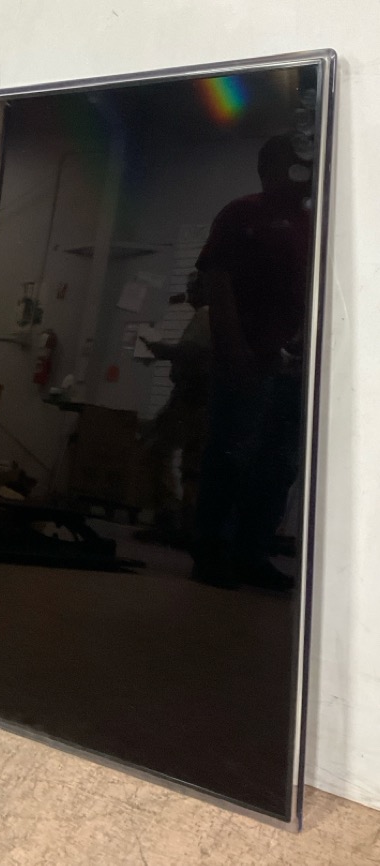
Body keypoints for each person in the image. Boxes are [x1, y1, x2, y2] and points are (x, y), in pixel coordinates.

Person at [191, 133, 311, 590]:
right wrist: (235, 350)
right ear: (267, 169)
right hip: (247, 357)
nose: (300, 173)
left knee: (280, 463)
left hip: (292, 365)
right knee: (232, 453)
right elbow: (217, 283)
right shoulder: (241, 213)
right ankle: (211, 553)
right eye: (291, 164)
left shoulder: (311, 222)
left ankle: (251, 554)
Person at [138, 272, 211, 542]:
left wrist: (162, 350)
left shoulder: (205, 315)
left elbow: (192, 352)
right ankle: (189, 521)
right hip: (206, 401)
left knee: (155, 449)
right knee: (193, 464)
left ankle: (167, 512)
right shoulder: (218, 317)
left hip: (189, 399)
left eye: (193, 288)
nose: (189, 295)